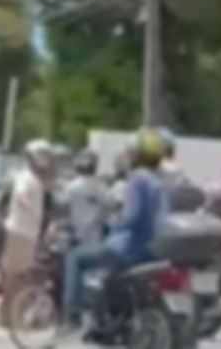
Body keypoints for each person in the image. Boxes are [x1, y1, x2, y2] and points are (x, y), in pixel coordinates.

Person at [61, 127, 170, 332]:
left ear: (137, 154)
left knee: (75, 258)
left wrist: (115, 224)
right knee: (109, 280)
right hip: (151, 249)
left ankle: (71, 317)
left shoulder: (137, 178)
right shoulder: (160, 180)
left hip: (127, 247)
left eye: (129, 151)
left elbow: (132, 214)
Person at [0, 139, 54, 327]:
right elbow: (22, 196)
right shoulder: (26, 177)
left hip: (26, 232)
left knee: (19, 276)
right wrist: (30, 211)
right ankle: (8, 315)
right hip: (19, 231)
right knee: (15, 276)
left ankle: (10, 314)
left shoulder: (36, 180)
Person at [62, 150, 113, 248]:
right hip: (96, 238)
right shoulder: (102, 189)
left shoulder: (70, 187)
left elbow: (63, 210)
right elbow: (108, 211)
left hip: (74, 237)